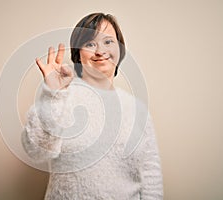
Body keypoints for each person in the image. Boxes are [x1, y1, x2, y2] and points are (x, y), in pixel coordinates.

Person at [22, 13, 163, 199]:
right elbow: (35, 151)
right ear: (78, 53)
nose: (100, 50)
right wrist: (52, 94)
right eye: (90, 44)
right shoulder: (61, 96)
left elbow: (151, 177)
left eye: (108, 42)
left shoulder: (136, 109)